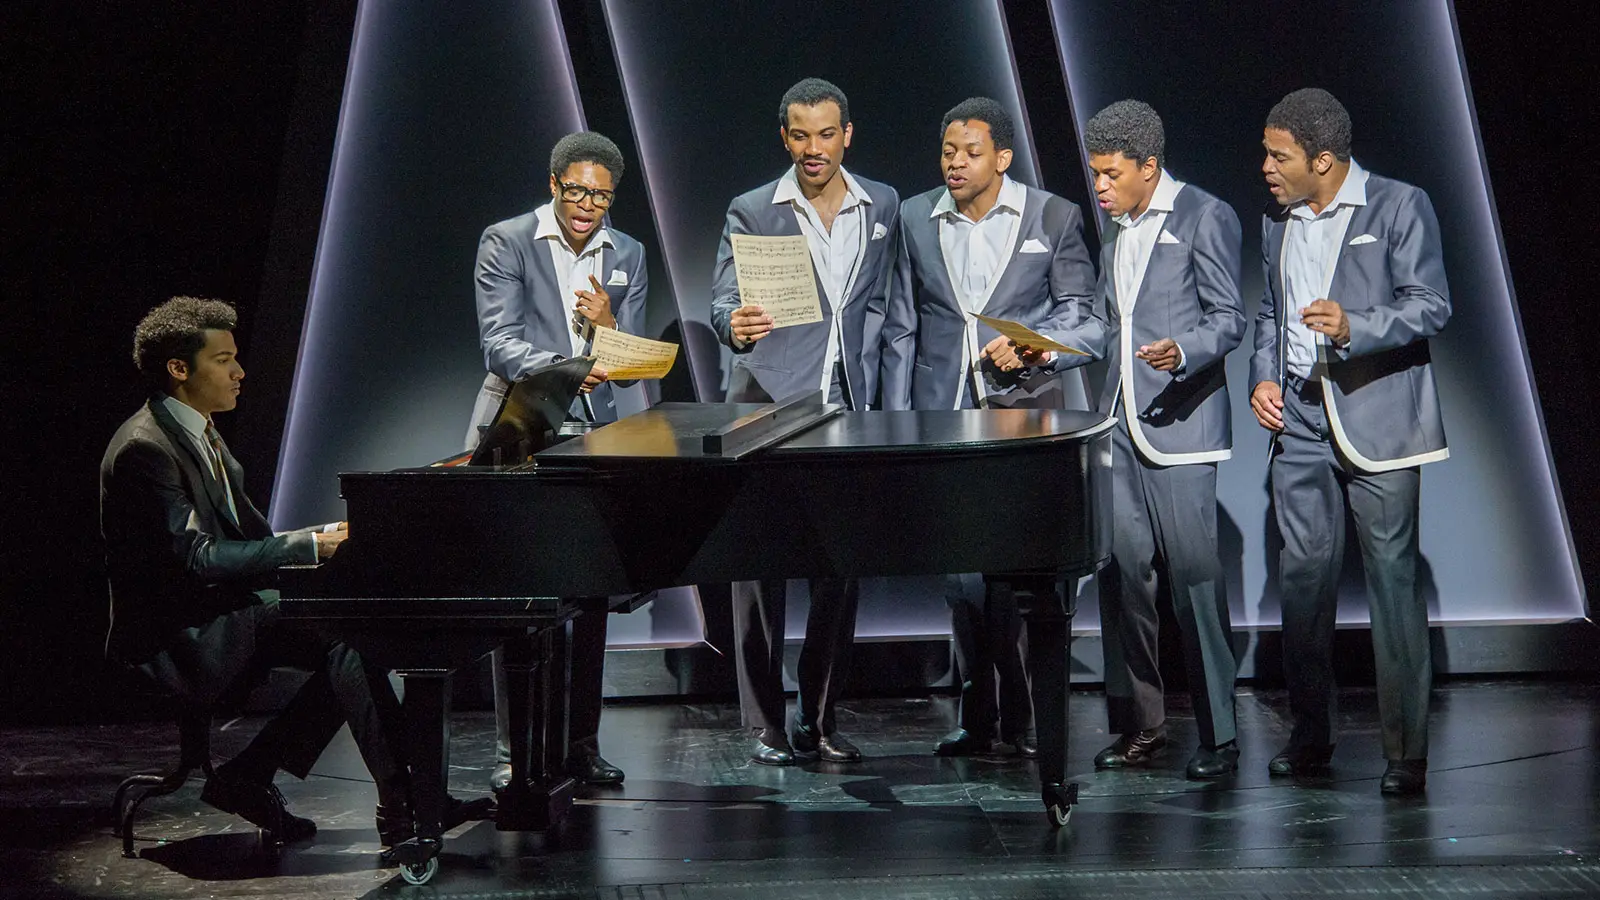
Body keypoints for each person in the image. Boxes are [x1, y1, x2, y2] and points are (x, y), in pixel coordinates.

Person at [101, 296, 420, 845]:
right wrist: (308, 547)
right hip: (178, 637)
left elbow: (245, 542)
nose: (240, 371)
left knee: (357, 640)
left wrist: (317, 540)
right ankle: (405, 808)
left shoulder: (200, 429)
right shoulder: (144, 450)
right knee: (349, 637)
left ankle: (262, 777)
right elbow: (197, 558)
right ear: (180, 370)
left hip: (220, 611)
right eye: (223, 359)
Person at [879, 96, 1096, 758]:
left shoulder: (1053, 217)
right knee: (961, 577)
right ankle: (979, 713)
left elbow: (1085, 318)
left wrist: (1037, 346)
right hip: (946, 415)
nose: (956, 163)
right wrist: (897, 423)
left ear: (1001, 157)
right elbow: (899, 325)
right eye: (948, 151)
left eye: (971, 153)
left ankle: (1025, 714)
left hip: (1026, 418)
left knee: (1019, 572)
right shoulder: (915, 218)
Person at [1249, 88, 1450, 795]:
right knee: (1302, 586)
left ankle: (1406, 754)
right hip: (1299, 419)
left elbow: (1431, 303)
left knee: (1392, 586)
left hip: (1378, 419)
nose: (1266, 167)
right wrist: (1263, 379)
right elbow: (1270, 313)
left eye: (1279, 156)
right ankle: (1310, 736)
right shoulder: (1278, 225)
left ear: (1323, 159)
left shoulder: (1398, 205)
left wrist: (1353, 326)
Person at [709, 77, 900, 765]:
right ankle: (765, 724)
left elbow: (885, 303)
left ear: (846, 133)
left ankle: (819, 718)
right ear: (784, 137)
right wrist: (733, 324)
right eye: (799, 134)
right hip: (767, 404)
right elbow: (724, 298)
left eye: (826, 133)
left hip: (847, 408)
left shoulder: (883, 204)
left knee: (837, 568)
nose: (813, 149)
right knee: (758, 570)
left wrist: (884, 395)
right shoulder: (754, 208)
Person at [465, 131, 648, 791]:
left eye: (600, 196)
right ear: (553, 185)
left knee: (591, 593)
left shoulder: (626, 253)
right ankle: (514, 752)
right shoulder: (508, 241)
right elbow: (500, 344)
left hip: (596, 437)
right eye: (577, 191)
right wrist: (570, 367)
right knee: (520, 593)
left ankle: (579, 745)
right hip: (522, 428)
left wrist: (608, 326)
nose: (587, 206)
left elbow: (627, 369)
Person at [1069, 100, 1246, 780]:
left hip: (1179, 428)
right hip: (1118, 427)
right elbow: (1104, 326)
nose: (1101, 188)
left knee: (1193, 586)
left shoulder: (1205, 215)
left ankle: (1220, 737)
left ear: (1150, 166)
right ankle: (1143, 727)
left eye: (1112, 175)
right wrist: (1046, 353)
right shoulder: (1114, 232)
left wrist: (1186, 349)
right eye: (1095, 175)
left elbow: (1229, 317)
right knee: (1126, 585)